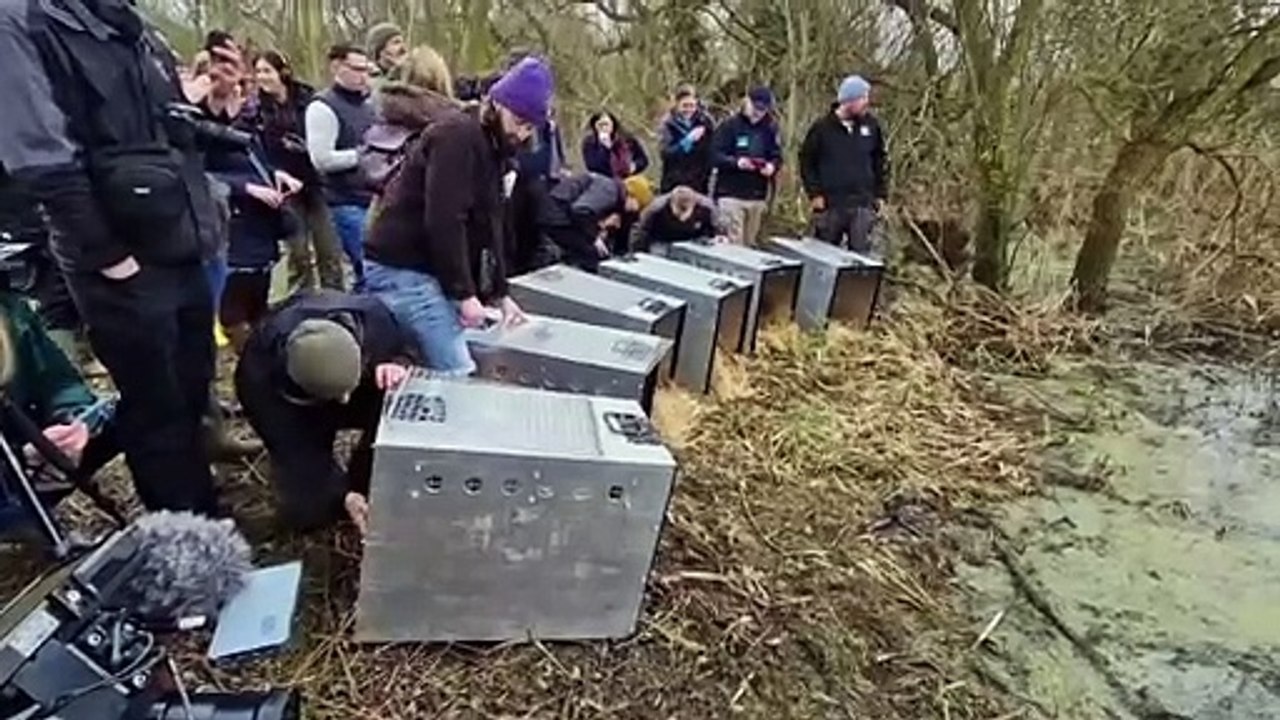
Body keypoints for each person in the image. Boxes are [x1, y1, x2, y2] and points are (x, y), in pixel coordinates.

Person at [0, 0, 229, 515]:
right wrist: (106, 254)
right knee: (158, 409)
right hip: (119, 258)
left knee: (191, 394)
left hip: (182, 241)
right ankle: (185, 535)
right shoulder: (19, 21)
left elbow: (167, 131)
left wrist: (209, 108)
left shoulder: (129, 26)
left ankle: (203, 512)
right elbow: (40, 157)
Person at [363, 57, 552, 375]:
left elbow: (492, 227)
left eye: (530, 127)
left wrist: (499, 294)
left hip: (429, 269)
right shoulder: (457, 136)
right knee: (456, 370)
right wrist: (463, 294)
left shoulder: (495, 149)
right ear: (496, 104)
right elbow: (445, 220)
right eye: (518, 121)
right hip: (401, 267)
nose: (521, 133)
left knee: (470, 350)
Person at [234, 290, 418, 535]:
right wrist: (341, 495)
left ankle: (367, 477)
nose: (344, 402)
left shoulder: (372, 318)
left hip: (367, 385)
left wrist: (397, 362)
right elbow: (298, 455)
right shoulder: (259, 384)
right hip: (299, 413)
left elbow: (406, 347)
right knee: (309, 511)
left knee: (393, 406)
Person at [0, 289, 121, 536]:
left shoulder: (10, 311)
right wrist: (19, 462)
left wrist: (71, 420)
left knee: (145, 410)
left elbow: (59, 381)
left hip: (42, 452)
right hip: (12, 478)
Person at [251, 50, 345, 292]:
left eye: (267, 71)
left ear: (282, 72)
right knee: (299, 251)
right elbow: (257, 149)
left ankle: (336, 300)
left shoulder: (308, 99)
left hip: (315, 182)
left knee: (329, 248)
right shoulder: (256, 110)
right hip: (284, 185)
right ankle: (301, 301)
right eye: (258, 71)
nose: (262, 77)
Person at [307, 44, 376, 291]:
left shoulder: (369, 106)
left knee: (374, 270)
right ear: (337, 67)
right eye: (357, 69)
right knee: (367, 268)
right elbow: (321, 159)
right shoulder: (322, 107)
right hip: (344, 200)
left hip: (372, 198)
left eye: (366, 70)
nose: (363, 76)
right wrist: (363, 155)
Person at [799, 74, 890, 254]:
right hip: (831, 204)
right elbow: (807, 161)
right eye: (862, 98)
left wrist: (880, 194)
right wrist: (814, 193)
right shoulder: (822, 128)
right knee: (825, 254)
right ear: (849, 100)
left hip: (862, 203)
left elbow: (879, 159)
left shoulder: (871, 126)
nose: (867, 102)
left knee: (861, 258)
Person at [711, 87, 783, 246]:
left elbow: (777, 156)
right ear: (747, 102)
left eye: (763, 110)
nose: (758, 113)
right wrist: (737, 163)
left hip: (756, 195)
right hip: (730, 194)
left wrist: (771, 167)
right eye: (756, 108)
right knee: (734, 244)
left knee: (750, 244)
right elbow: (715, 156)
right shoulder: (729, 126)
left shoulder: (770, 129)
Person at [538, 172, 628, 273]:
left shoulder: (607, 185)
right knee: (592, 253)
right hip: (557, 216)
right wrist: (594, 237)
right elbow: (580, 211)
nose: (617, 224)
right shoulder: (610, 192)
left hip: (554, 211)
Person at [629, 185, 732, 255]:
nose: (681, 218)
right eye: (678, 213)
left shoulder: (707, 206)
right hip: (662, 240)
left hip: (693, 241)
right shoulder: (656, 208)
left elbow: (720, 225)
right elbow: (640, 230)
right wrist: (637, 253)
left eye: (685, 213)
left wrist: (721, 235)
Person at [658, 84, 715, 194]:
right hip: (674, 180)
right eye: (685, 106)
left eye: (692, 106)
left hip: (700, 180)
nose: (689, 110)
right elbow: (665, 153)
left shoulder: (706, 123)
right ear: (677, 104)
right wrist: (687, 141)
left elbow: (713, 149)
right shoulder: (668, 124)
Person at [581, 111, 650, 180]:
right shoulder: (590, 143)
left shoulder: (627, 139)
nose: (604, 127)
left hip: (628, 179)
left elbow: (643, 160)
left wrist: (634, 166)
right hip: (604, 181)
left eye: (606, 124)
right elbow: (593, 166)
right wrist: (605, 148)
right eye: (600, 125)